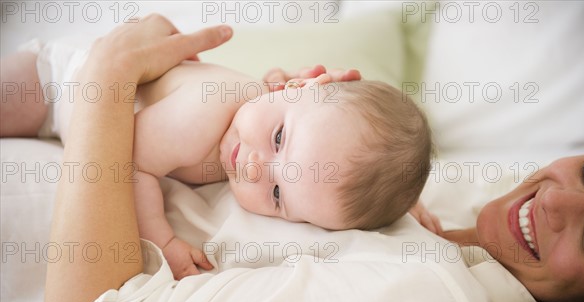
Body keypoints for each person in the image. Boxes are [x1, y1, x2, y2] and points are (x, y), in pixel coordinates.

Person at [24, 15, 584, 302]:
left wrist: (107, 79)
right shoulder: (444, 208)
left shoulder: (431, 300)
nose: (558, 203)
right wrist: (256, 116)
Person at [0, 34, 432, 280]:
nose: (253, 167)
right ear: (297, 86)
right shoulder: (210, 112)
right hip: (53, 85)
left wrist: (398, 197)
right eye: (280, 138)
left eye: (278, 194)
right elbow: (124, 162)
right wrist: (162, 240)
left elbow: (340, 167)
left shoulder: (281, 120)